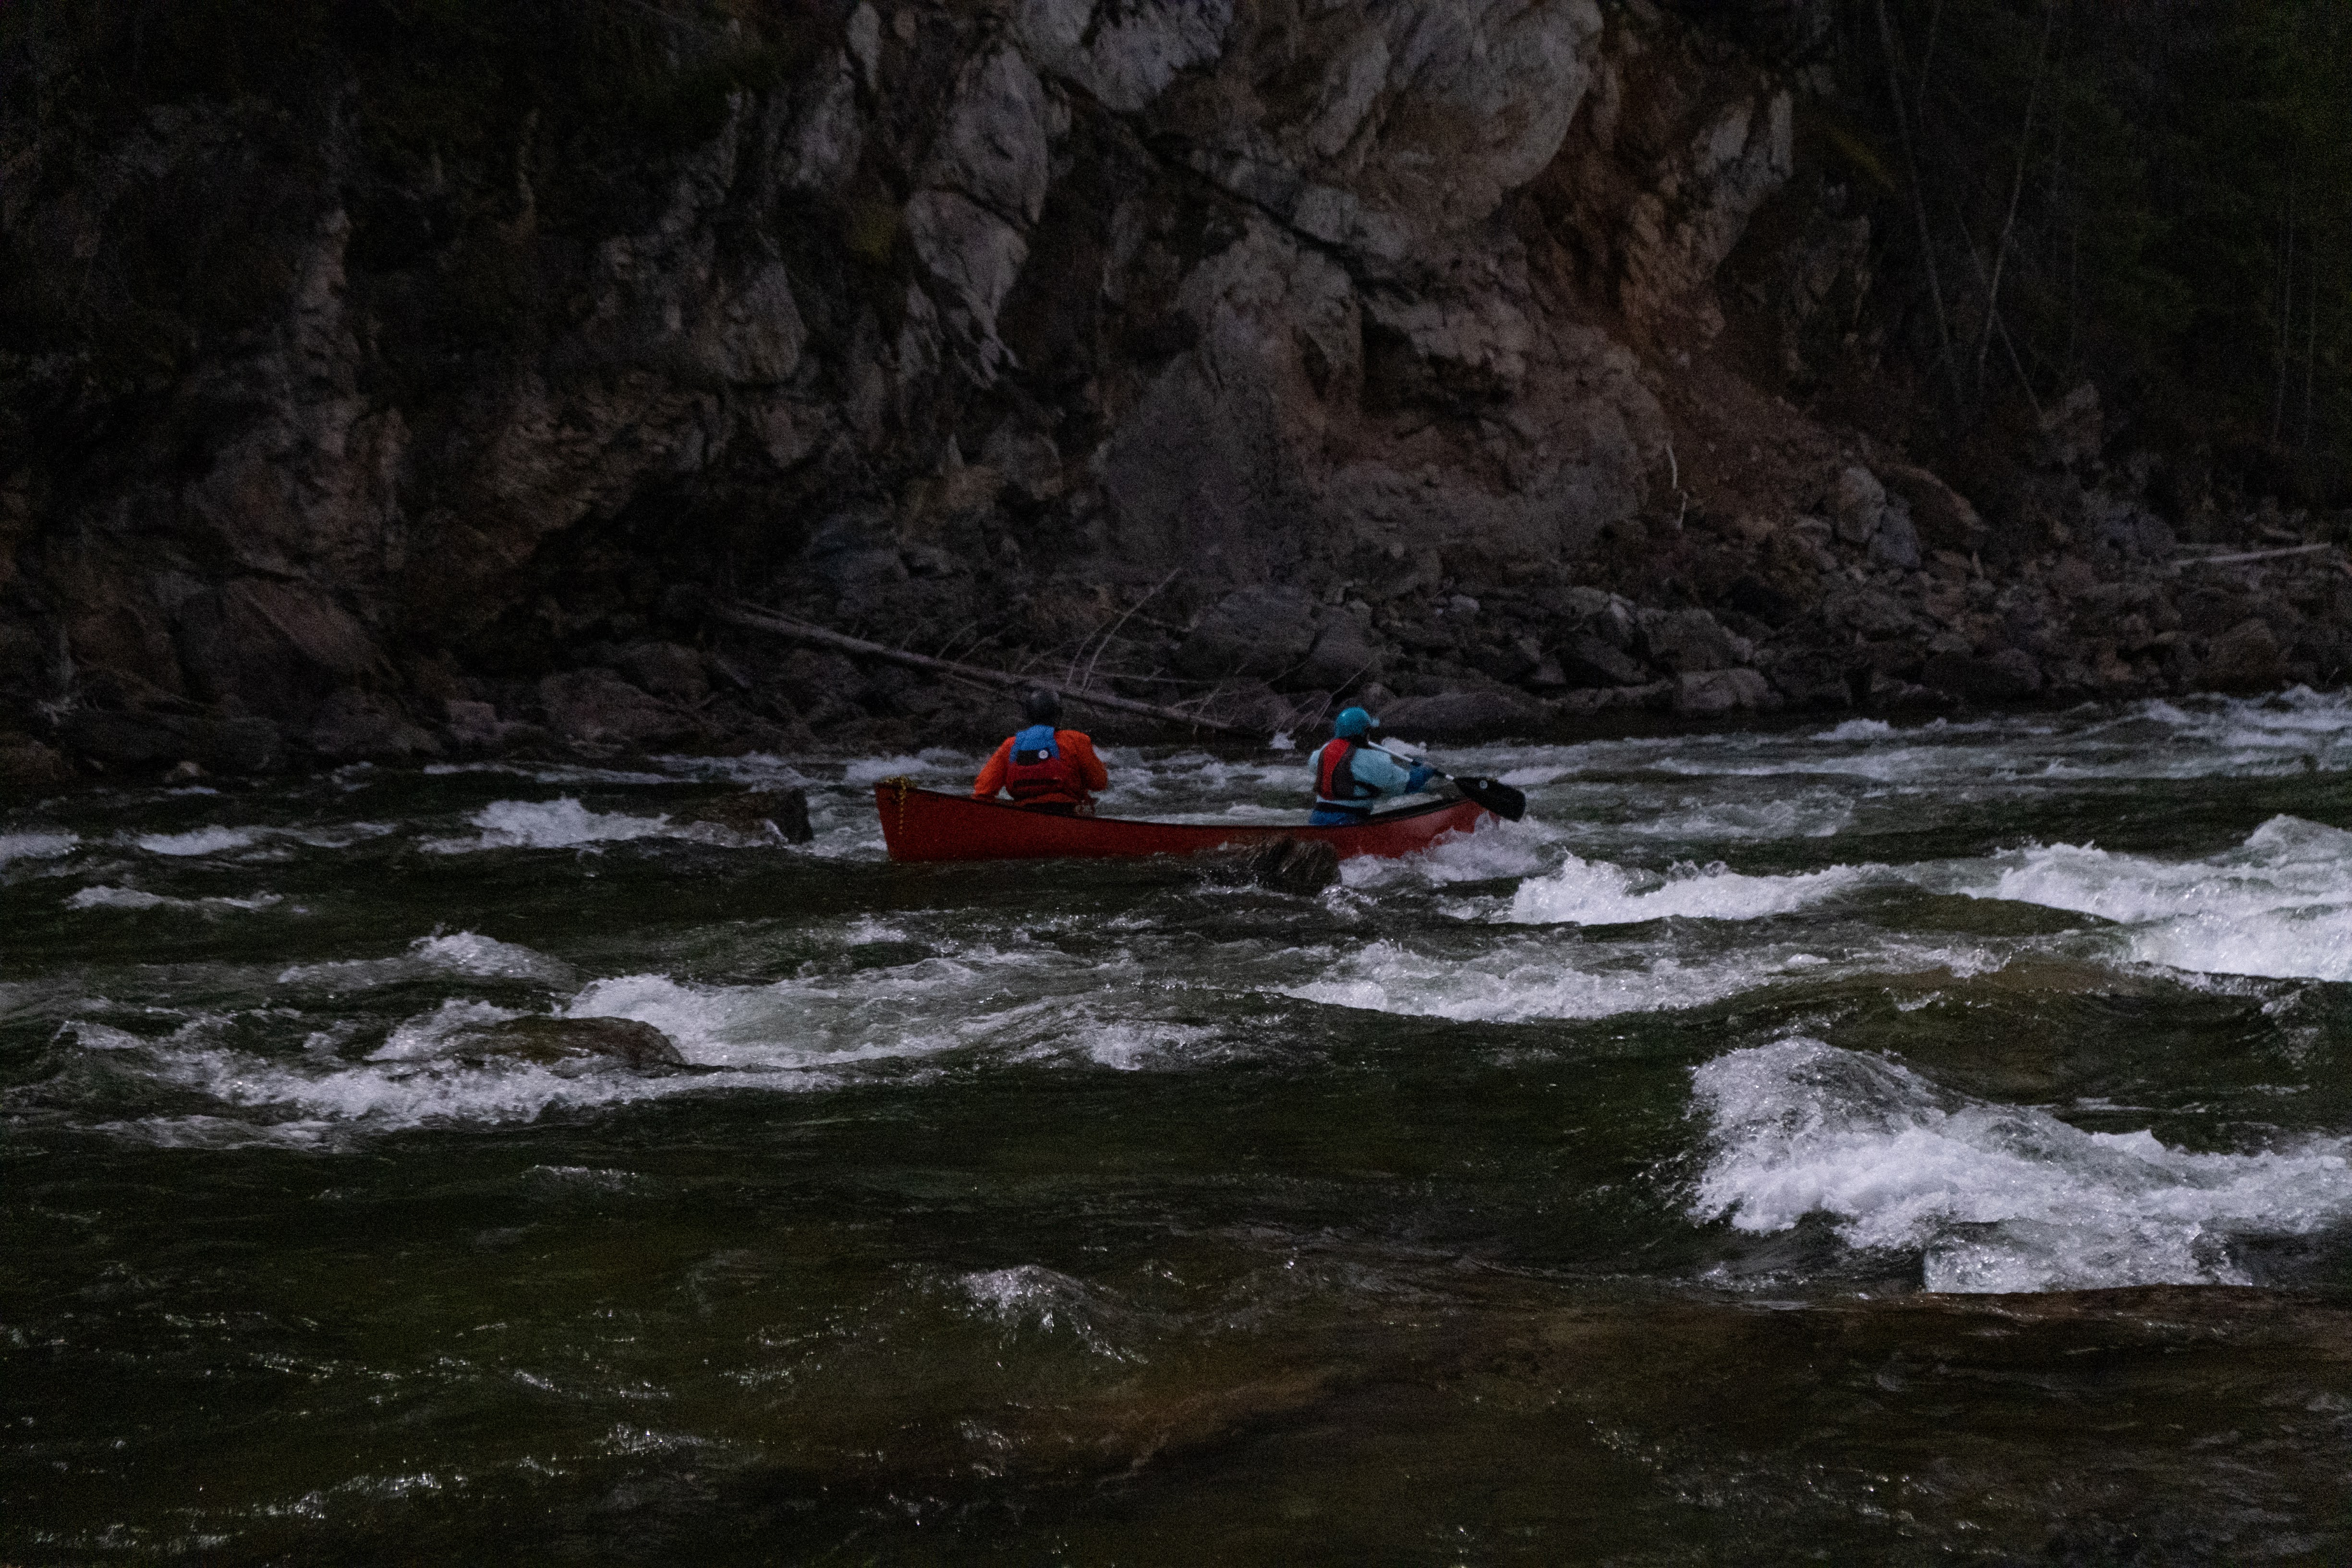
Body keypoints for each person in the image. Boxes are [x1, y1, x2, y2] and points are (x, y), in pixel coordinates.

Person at [973, 689, 1108, 814]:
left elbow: (983, 792)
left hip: (1024, 814)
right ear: (1060, 714)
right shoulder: (1077, 740)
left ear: (1027, 716)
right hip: (1068, 813)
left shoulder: (1010, 745)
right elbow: (1099, 784)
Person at [1308, 706, 1435, 826]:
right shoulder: (1375, 760)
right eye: (1369, 731)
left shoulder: (1320, 754)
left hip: (1316, 819)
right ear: (1366, 733)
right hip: (1348, 821)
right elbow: (1406, 785)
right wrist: (1425, 771)